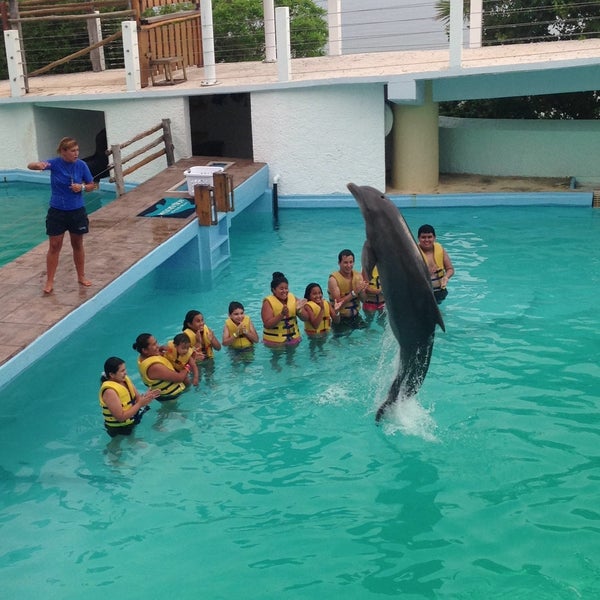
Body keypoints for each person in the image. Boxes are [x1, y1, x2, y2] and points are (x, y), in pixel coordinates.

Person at [27, 137, 95, 294]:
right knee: (54, 245)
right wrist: (37, 165)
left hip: (77, 211)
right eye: (73, 151)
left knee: (77, 244)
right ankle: (50, 281)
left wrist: (82, 187)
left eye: (77, 150)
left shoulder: (82, 165)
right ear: (63, 152)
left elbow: (92, 185)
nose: (76, 153)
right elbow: (30, 166)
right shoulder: (55, 164)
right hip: (57, 211)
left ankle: (81, 276)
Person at [99, 356, 160, 437]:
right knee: (115, 446)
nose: (125, 373)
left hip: (131, 420)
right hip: (118, 428)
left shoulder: (124, 380)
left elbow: (138, 398)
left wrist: (146, 398)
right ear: (111, 374)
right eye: (122, 371)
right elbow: (120, 417)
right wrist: (140, 404)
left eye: (125, 369)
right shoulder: (110, 392)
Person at [133, 333, 189, 401]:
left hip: (167, 396)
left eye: (156, 343)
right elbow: (180, 378)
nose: (157, 346)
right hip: (172, 398)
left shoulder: (142, 357)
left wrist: (159, 351)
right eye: (154, 345)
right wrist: (187, 363)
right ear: (144, 350)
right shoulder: (154, 367)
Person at [327, 249, 368, 333]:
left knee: (369, 335)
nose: (349, 265)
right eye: (345, 262)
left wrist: (361, 291)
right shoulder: (333, 280)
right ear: (339, 263)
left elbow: (364, 300)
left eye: (351, 262)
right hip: (340, 319)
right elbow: (337, 303)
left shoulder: (358, 276)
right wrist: (354, 293)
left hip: (356, 317)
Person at [261, 271, 307, 346]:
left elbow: (305, 318)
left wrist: (299, 310)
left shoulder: (293, 298)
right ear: (273, 290)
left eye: (286, 288)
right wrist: (281, 314)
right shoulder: (268, 302)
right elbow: (267, 324)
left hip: (293, 339)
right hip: (275, 342)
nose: (285, 291)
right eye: (281, 289)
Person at [417, 224, 455, 304]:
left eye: (429, 237)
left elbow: (450, 269)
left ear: (434, 237)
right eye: (423, 237)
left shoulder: (440, 250)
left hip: (439, 292)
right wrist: (426, 274)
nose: (426, 240)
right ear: (418, 238)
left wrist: (446, 277)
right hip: (421, 293)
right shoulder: (414, 253)